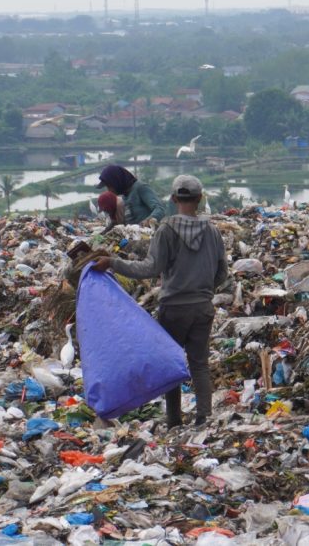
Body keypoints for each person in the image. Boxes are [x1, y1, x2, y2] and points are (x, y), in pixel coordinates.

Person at [93, 175, 228, 428]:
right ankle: (203, 417)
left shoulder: (166, 230)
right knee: (199, 364)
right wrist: (205, 289)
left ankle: (175, 420)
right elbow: (222, 273)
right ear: (199, 199)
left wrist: (113, 262)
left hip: (174, 309)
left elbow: (150, 268)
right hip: (202, 307)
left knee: (172, 365)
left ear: (174, 198)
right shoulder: (212, 231)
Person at [95, 165, 165, 226]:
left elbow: (159, 209)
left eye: (109, 186)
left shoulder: (140, 188)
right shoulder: (125, 196)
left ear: (116, 181)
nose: (109, 190)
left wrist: (148, 221)